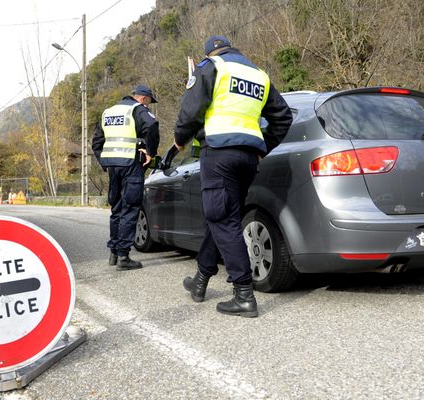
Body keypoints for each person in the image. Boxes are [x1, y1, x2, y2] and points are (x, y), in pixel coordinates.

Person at [174, 36, 292, 317]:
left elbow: (191, 111)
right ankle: (200, 280)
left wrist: (180, 138)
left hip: (219, 153)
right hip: (249, 157)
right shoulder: (259, 75)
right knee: (225, 217)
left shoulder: (212, 66)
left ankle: (244, 294)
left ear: (211, 52)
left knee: (220, 217)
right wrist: (264, 147)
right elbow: (283, 117)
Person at [92, 85, 160, 271]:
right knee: (130, 208)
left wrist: (104, 161)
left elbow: (96, 142)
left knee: (117, 208)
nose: (148, 105)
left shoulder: (108, 112)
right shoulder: (137, 110)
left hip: (113, 166)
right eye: (149, 102)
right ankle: (123, 256)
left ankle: (114, 252)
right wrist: (150, 152)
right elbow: (152, 125)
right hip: (131, 164)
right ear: (144, 98)